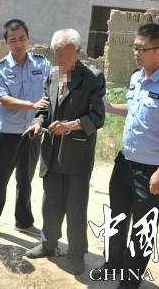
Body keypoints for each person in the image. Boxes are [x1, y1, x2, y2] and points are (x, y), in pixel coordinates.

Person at [96, 24, 159, 289]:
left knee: (142, 228)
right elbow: (136, 109)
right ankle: (113, 264)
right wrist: (110, 107)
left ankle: (129, 281)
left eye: (141, 48)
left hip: (152, 170)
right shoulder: (137, 77)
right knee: (117, 218)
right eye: (134, 47)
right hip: (125, 161)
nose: (135, 52)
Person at [23, 29, 105, 275]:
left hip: (77, 154)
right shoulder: (53, 75)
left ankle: (77, 254)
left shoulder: (93, 77)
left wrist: (69, 126)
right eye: (56, 53)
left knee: (76, 206)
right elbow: (45, 107)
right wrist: (38, 122)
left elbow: (97, 117)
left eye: (65, 54)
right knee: (51, 203)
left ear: (77, 52)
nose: (60, 59)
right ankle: (49, 244)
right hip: (51, 151)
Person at [0, 19, 52, 239]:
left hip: (33, 132)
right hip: (8, 134)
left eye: (22, 39)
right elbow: (3, 99)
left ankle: (24, 221)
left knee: (25, 180)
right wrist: (32, 105)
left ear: (28, 39)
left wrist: (40, 119)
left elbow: (51, 93)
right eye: (13, 40)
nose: (18, 44)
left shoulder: (43, 64)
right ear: (6, 42)